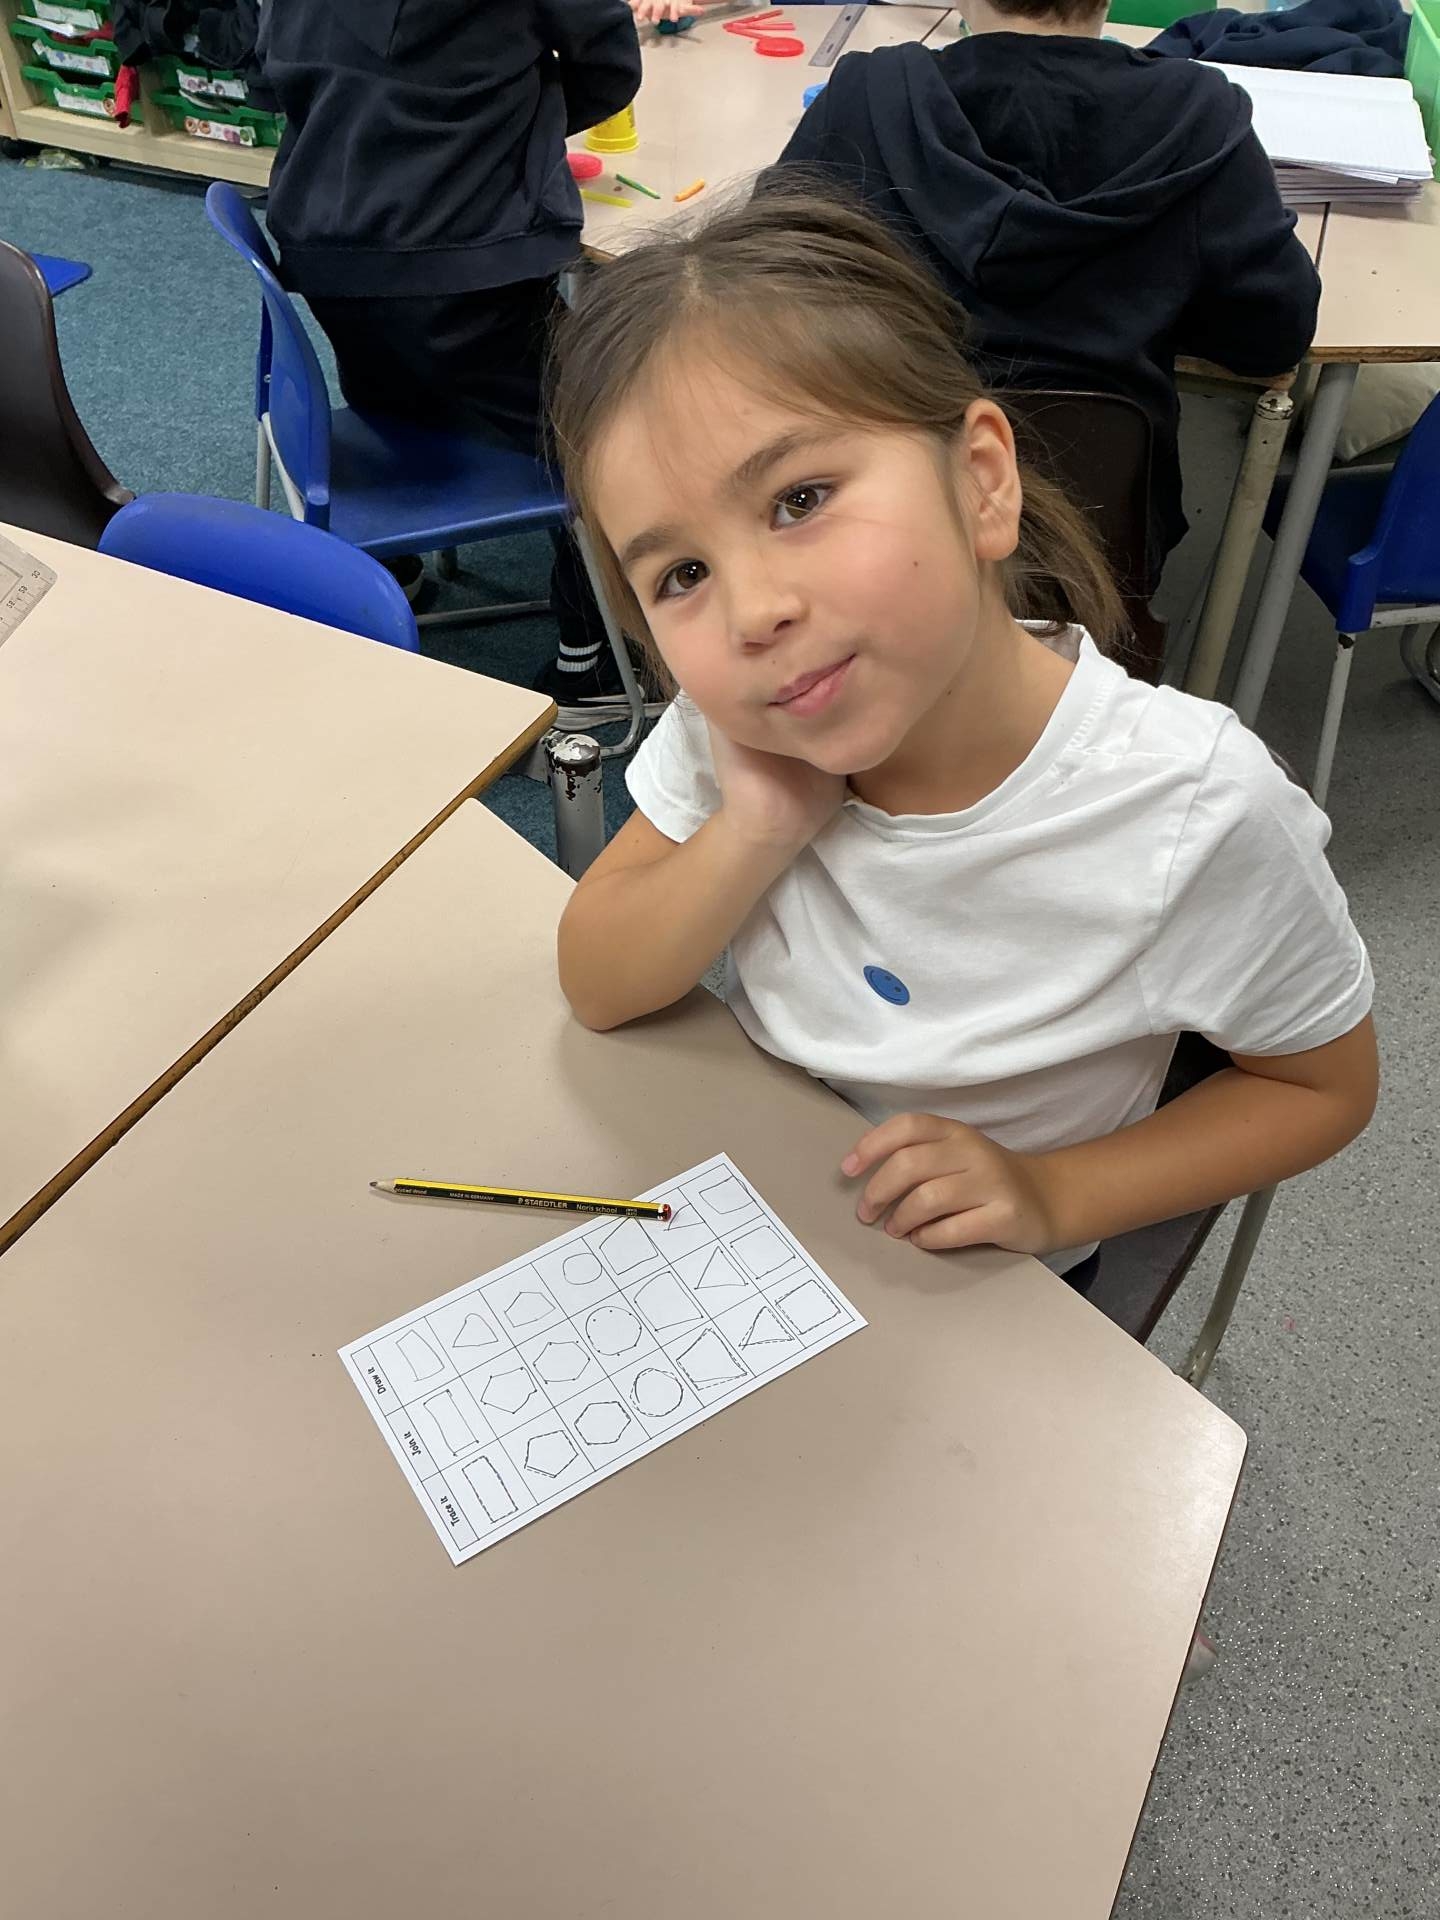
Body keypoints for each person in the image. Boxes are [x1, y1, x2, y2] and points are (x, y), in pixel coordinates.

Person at [546, 194, 1376, 1284]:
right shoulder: (744, 733)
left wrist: (1052, 1193)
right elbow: (598, 981)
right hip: (763, 1221)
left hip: (987, 1276)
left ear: (981, 482)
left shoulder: (1192, 807)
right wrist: (755, 828)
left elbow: (1321, 1087)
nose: (753, 613)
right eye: (682, 574)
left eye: (800, 499)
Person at [770, 0, 1321, 633]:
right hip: (1098, 563)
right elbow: (1274, 335)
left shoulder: (862, 100)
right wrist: (1157, 293)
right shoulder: (1202, 118)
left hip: (871, 557)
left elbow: (766, 303)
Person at [258, 0, 643, 721]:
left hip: (328, 246)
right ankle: (594, 660)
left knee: (408, 371)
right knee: (609, 426)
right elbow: (610, 68)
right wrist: (505, 126)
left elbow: (266, 74)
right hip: (464, 258)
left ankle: (389, 565)